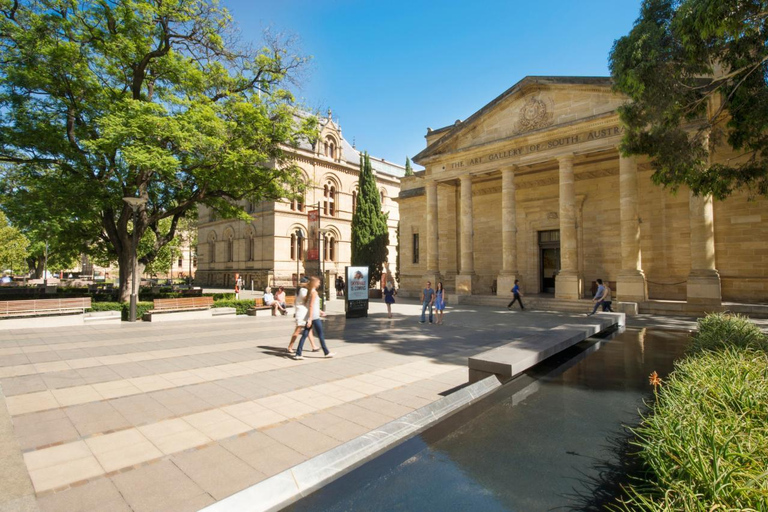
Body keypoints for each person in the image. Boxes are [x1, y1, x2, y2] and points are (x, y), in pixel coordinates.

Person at [293, 276, 334, 360]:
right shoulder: (314, 292)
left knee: (304, 335)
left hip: (312, 316)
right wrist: (310, 319)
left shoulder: (309, 291)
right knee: (321, 335)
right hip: (314, 317)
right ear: (314, 283)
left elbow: (309, 305)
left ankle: (298, 354)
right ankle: (326, 352)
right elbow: (311, 306)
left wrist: (319, 311)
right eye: (318, 282)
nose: (319, 283)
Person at [288, 277, 318, 353]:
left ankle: (314, 346)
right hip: (302, 312)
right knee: (298, 330)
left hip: (303, 311)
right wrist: (312, 292)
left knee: (309, 329)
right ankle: (290, 347)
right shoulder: (302, 290)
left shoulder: (300, 290)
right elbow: (306, 299)